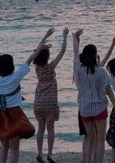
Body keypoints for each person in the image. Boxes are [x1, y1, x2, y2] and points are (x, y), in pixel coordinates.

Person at [0, 27, 55, 163]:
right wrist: (45, 36)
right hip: (14, 115)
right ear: (12, 66)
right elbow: (32, 57)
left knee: (4, 146)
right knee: (14, 149)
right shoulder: (15, 78)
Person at [72, 28, 115, 163]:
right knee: (100, 140)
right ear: (95, 56)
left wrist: (75, 38)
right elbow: (108, 90)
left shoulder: (77, 69)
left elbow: (75, 53)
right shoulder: (101, 72)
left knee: (90, 138)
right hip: (100, 108)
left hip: (84, 109)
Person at [32, 27, 68, 163]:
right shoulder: (51, 67)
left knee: (40, 128)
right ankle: (50, 154)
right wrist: (64, 36)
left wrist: (45, 38)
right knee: (50, 128)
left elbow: (35, 53)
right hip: (51, 102)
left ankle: (40, 153)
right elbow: (63, 51)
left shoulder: (37, 68)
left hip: (39, 101)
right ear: (47, 57)